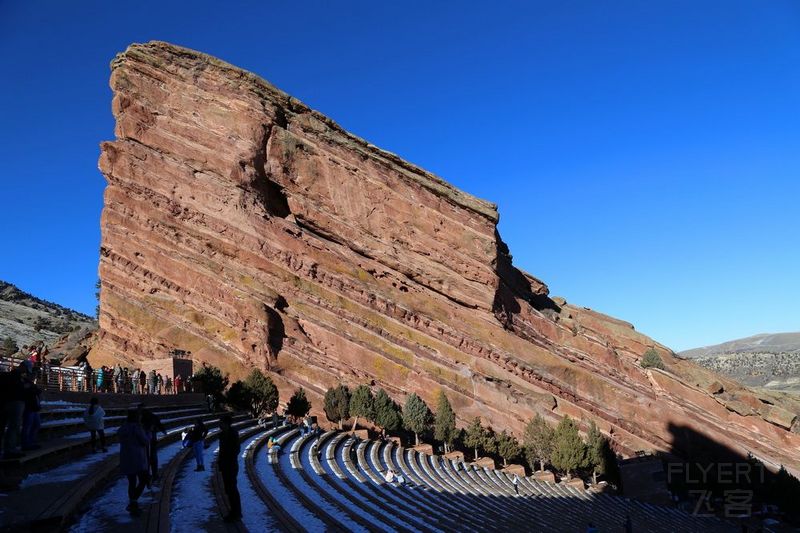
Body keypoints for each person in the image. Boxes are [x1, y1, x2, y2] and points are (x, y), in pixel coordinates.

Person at [118, 410, 149, 515]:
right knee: (144, 480)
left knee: (132, 482)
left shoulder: (123, 428)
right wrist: (148, 433)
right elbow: (145, 441)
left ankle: (133, 503)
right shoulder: (137, 428)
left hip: (126, 457)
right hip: (138, 458)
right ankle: (133, 502)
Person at [218, 414, 241, 522]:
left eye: (221, 422)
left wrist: (227, 458)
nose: (219, 424)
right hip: (225, 465)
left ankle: (236, 513)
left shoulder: (232, 434)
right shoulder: (222, 434)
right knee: (228, 489)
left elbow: (236, 450)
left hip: (231, 465)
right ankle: (234, 511)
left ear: (226, 423)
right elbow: (221, 451)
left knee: (232, 489)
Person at [1, 363, 27, 458]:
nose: (25, 373)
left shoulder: (11, 377)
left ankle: (9, 449)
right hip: (12, 403)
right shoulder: (14, 378)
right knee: (13, 427)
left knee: (10, 427)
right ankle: (9, 450)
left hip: (8, 403)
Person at [138, 403, 166, 482]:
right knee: (152, 457)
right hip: (151, 440)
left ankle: (148, 475)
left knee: (147, 458)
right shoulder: (152, 416)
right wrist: (163, 430)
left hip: (147, 440)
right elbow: (159, 424)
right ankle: (154, 474)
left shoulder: (142, 417)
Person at [21, 369, 42, 450]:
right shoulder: (24, 382)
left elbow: (37, 393)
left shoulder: (32, 384)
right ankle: (25, 444)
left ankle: (31, 442)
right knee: (27, 426)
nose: (34, 376)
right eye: (32, 374)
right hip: (28, 407)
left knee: (36, 425)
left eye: (35, 375)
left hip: (35, 407)